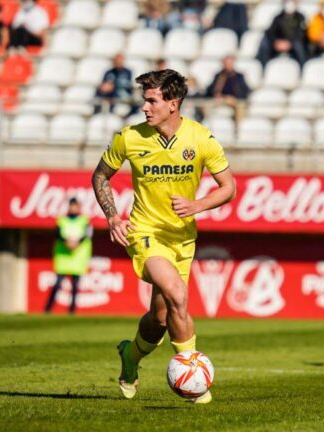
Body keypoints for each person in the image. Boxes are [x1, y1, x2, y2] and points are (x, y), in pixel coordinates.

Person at [91, 69, 236, 403]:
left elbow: (229, 188)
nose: (144, 106)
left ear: (174, 103)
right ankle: (194, 380)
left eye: (151, 100)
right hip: (144, 233)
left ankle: (130, 358)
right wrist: (113, 216)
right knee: (177, 295)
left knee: (160, 317)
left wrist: (197, 204)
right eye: (144, 99)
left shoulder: (200, 139)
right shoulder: (128, 138)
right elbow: (101, 176)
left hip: (182, 238)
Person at [44, 198, 93, 314]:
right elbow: (57, 233)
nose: (73, 208)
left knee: (75, 285)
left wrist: (77, 242)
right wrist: (66, 241)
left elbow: (88, 234)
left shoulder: (85, 220)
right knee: (58, 284)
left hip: (78, 257)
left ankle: (72, 311)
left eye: (76, 206)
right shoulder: (61, 220)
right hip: (64, 257)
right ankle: (47, 310)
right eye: (72, 206)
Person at [256, 0, 308, 67]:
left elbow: (301, 34)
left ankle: (303, 68)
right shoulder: (278, 17)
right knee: (264, 42)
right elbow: (271, 32)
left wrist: (289, 43)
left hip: (293, 44)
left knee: (299, 45)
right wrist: (276, 42)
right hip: (278, 44)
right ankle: (262, 67)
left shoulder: (300, 17)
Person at [205, 55, 250, 120]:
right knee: (205, 105)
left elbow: (245, 91)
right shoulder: (218, 76)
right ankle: (207, 124)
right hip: (220, 100)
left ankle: (238, 127)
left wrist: (234, 98)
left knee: (240, 107)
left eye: (230, 63)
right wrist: (215, 95)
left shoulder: (239, 76)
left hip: (234, 100)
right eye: (226, 63)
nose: (228, 65)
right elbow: (209, 90)